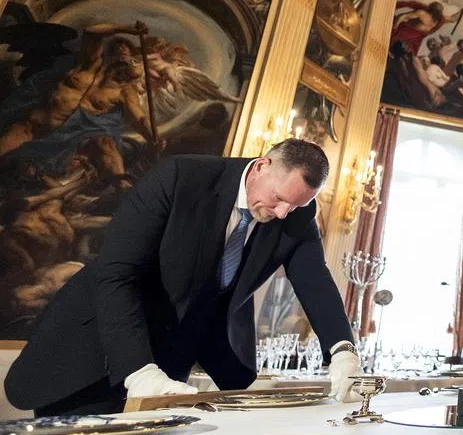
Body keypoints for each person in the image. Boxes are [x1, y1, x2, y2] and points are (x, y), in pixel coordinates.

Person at [5, 140, 362, 416]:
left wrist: (343, 351)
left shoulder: (296, 214)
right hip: (97, 353)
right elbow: (116, 275)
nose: (283, 213)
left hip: (170, 367)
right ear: (261, 166)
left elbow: (316, 281)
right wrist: (138, 371)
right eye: (279, 198)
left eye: (296, 206)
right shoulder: (180, 177)